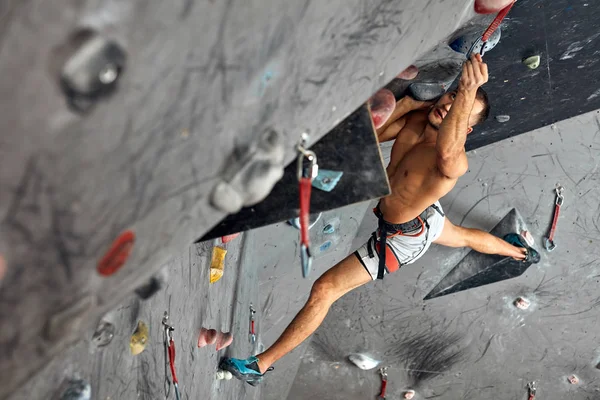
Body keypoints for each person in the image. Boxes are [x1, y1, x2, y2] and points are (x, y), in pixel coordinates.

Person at [220, 54, 535, 385]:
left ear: (466, 127)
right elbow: (370, 133)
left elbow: (446, 152)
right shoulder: (417, 121)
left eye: (461, 108)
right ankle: (517, 250)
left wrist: (470, 89)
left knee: (324, 289)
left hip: (403, 238)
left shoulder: (453, 164)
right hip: (426, 213)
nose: (449, 105)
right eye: (452, 96)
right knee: (463, 236)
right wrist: (410, 101)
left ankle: (259, 366)